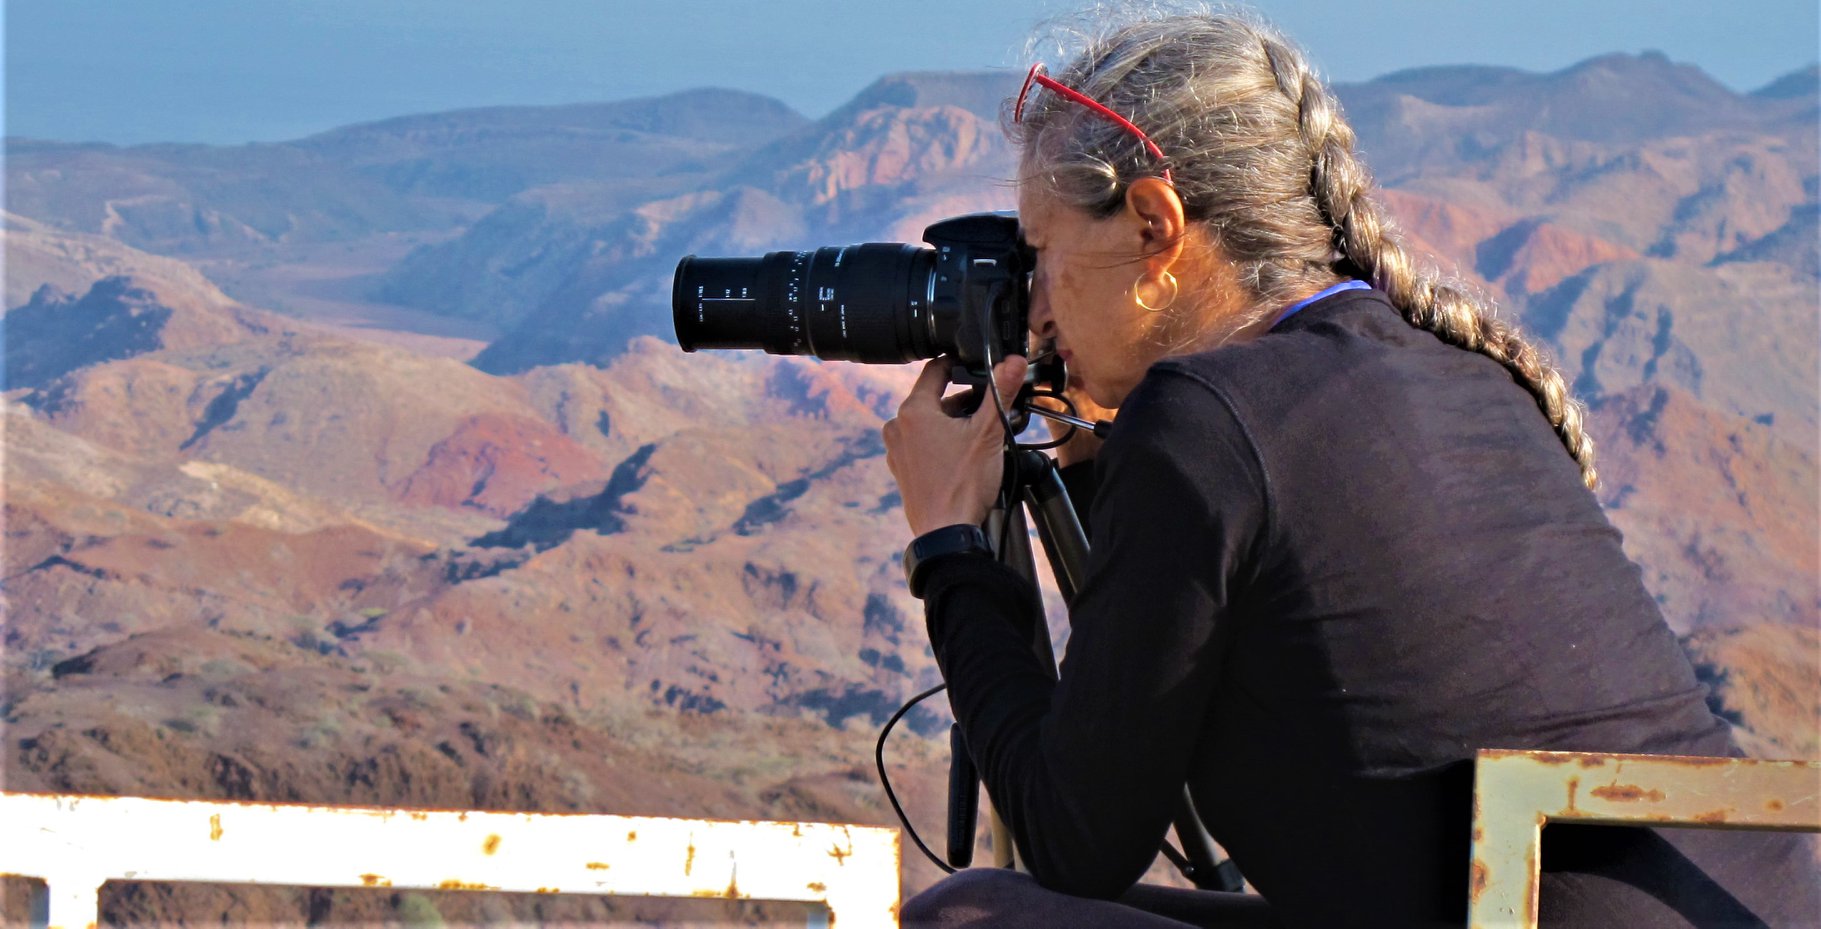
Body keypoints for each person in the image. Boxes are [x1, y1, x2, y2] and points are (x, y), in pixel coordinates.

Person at [879, 8, 1819, 929]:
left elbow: (1075, 834)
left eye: (1041, 252)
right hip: (1741, 903)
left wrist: (950, 543)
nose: (1035, 308)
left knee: (972, 914)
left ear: (1153, 224)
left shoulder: (1204, 421)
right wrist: (1099, 472)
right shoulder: (1457, 368)